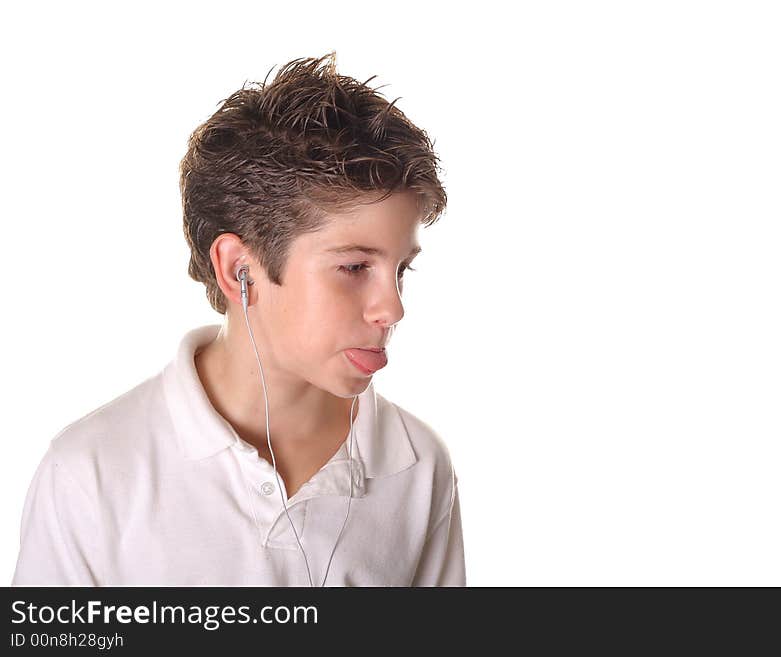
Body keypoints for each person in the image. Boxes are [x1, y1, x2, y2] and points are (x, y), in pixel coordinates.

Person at [11, 52, 465, 586]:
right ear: (238, 268)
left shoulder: (418, 467)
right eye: (354, 266)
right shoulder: (92, 473)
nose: (392, 308)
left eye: (401, 269)